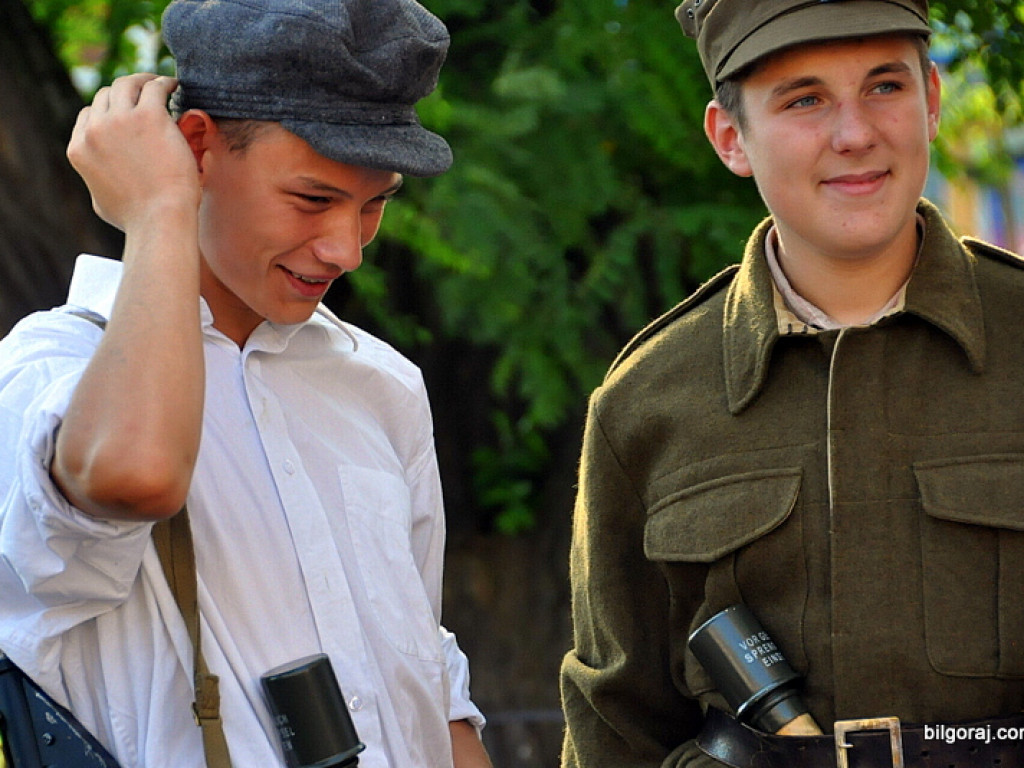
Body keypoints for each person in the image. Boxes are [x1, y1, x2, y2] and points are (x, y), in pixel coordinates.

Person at [0, 0, 493, 766]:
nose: (346, 249)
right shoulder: (50, 368)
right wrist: (159, 209)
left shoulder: (380, 383)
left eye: (375, 204)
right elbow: (137, 476)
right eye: (313, 199)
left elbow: (425, 668)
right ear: (195, 146)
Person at [560, 1, 1024, 766]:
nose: (855, 135)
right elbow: (614, 727)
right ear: (730, 137)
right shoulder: (646, 403)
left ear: (932, 101)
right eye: (804, 99)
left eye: (885, 87)